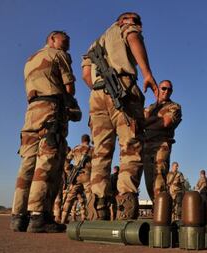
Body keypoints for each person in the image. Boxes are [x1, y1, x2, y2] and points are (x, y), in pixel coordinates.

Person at [81, 12, 158, 220]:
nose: (139, 26)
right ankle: (125, 207)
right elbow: (133, 39)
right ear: (124, 20)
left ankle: (98, 209)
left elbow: (86, 75)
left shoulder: (94, 44)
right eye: (137, 22)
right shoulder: (126, 29)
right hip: (122, 90)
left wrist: (99, 89)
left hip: (96, 96)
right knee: (131, 146)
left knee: (100, 152)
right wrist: (147, 73)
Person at [10, 30, 79, 233]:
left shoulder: (30, 60)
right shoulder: (58, 55)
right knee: (47, 162)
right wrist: (72, 108)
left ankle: (18, 216)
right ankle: (39, 217)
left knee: (27, 164)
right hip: (51, 110)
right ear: (52, 39)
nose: (67, 46)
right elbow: (69, 89)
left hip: (31, 112)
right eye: (64, 42)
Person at [143, 80, 182, 201]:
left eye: (169, 89)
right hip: (146, 145)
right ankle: (157, 209)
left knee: (159, 179)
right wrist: (155, 120)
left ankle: (162, 214)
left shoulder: (174, 106)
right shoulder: (150, 107)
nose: (166, 91)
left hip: (162, 144)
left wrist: (145, 123)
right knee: (149, 182)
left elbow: (166, 123)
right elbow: (137, 123)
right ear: (158, 89)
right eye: (164, 88)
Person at [60, 134, 93, 223]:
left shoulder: (75, 148)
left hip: (76, 176)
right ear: (89, 140)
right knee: (90, 196)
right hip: (88, 175)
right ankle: (92, 219)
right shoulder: (92, 149)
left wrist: (68, 171)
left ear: (81, 140)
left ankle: (63, 219)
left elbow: (66, 160)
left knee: (69, 198)